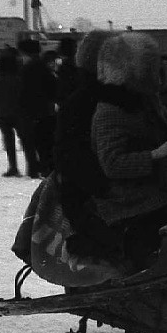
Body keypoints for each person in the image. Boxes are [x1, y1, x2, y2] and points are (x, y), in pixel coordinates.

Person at [90, 32, 167, 268]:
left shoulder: (144, 101)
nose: (157, 71)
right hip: (130, 201)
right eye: (150, 66)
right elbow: (112, 164)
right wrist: (156, 155)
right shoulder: (112, 109)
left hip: (154, 190)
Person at [52, 29, 122, 258]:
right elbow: (74, 161)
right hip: (97, 207)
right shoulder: (94, 102)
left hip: (92, 203)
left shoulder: (84, 99)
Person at [17, 39, 58, 178]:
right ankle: (45, 168)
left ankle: (34, 169)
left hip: (29, 111)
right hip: (44, 110)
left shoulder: (25, 69)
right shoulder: (45, 68)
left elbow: (21, 92)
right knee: (45, 143)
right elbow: (53, 89)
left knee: (29, 142)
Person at [0, 54, 23, 176]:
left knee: (9, 142)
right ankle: (34, 166)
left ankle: (13, 167)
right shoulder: (19, 77)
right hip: (20, 113)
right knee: (26, 140)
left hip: (3, 113)